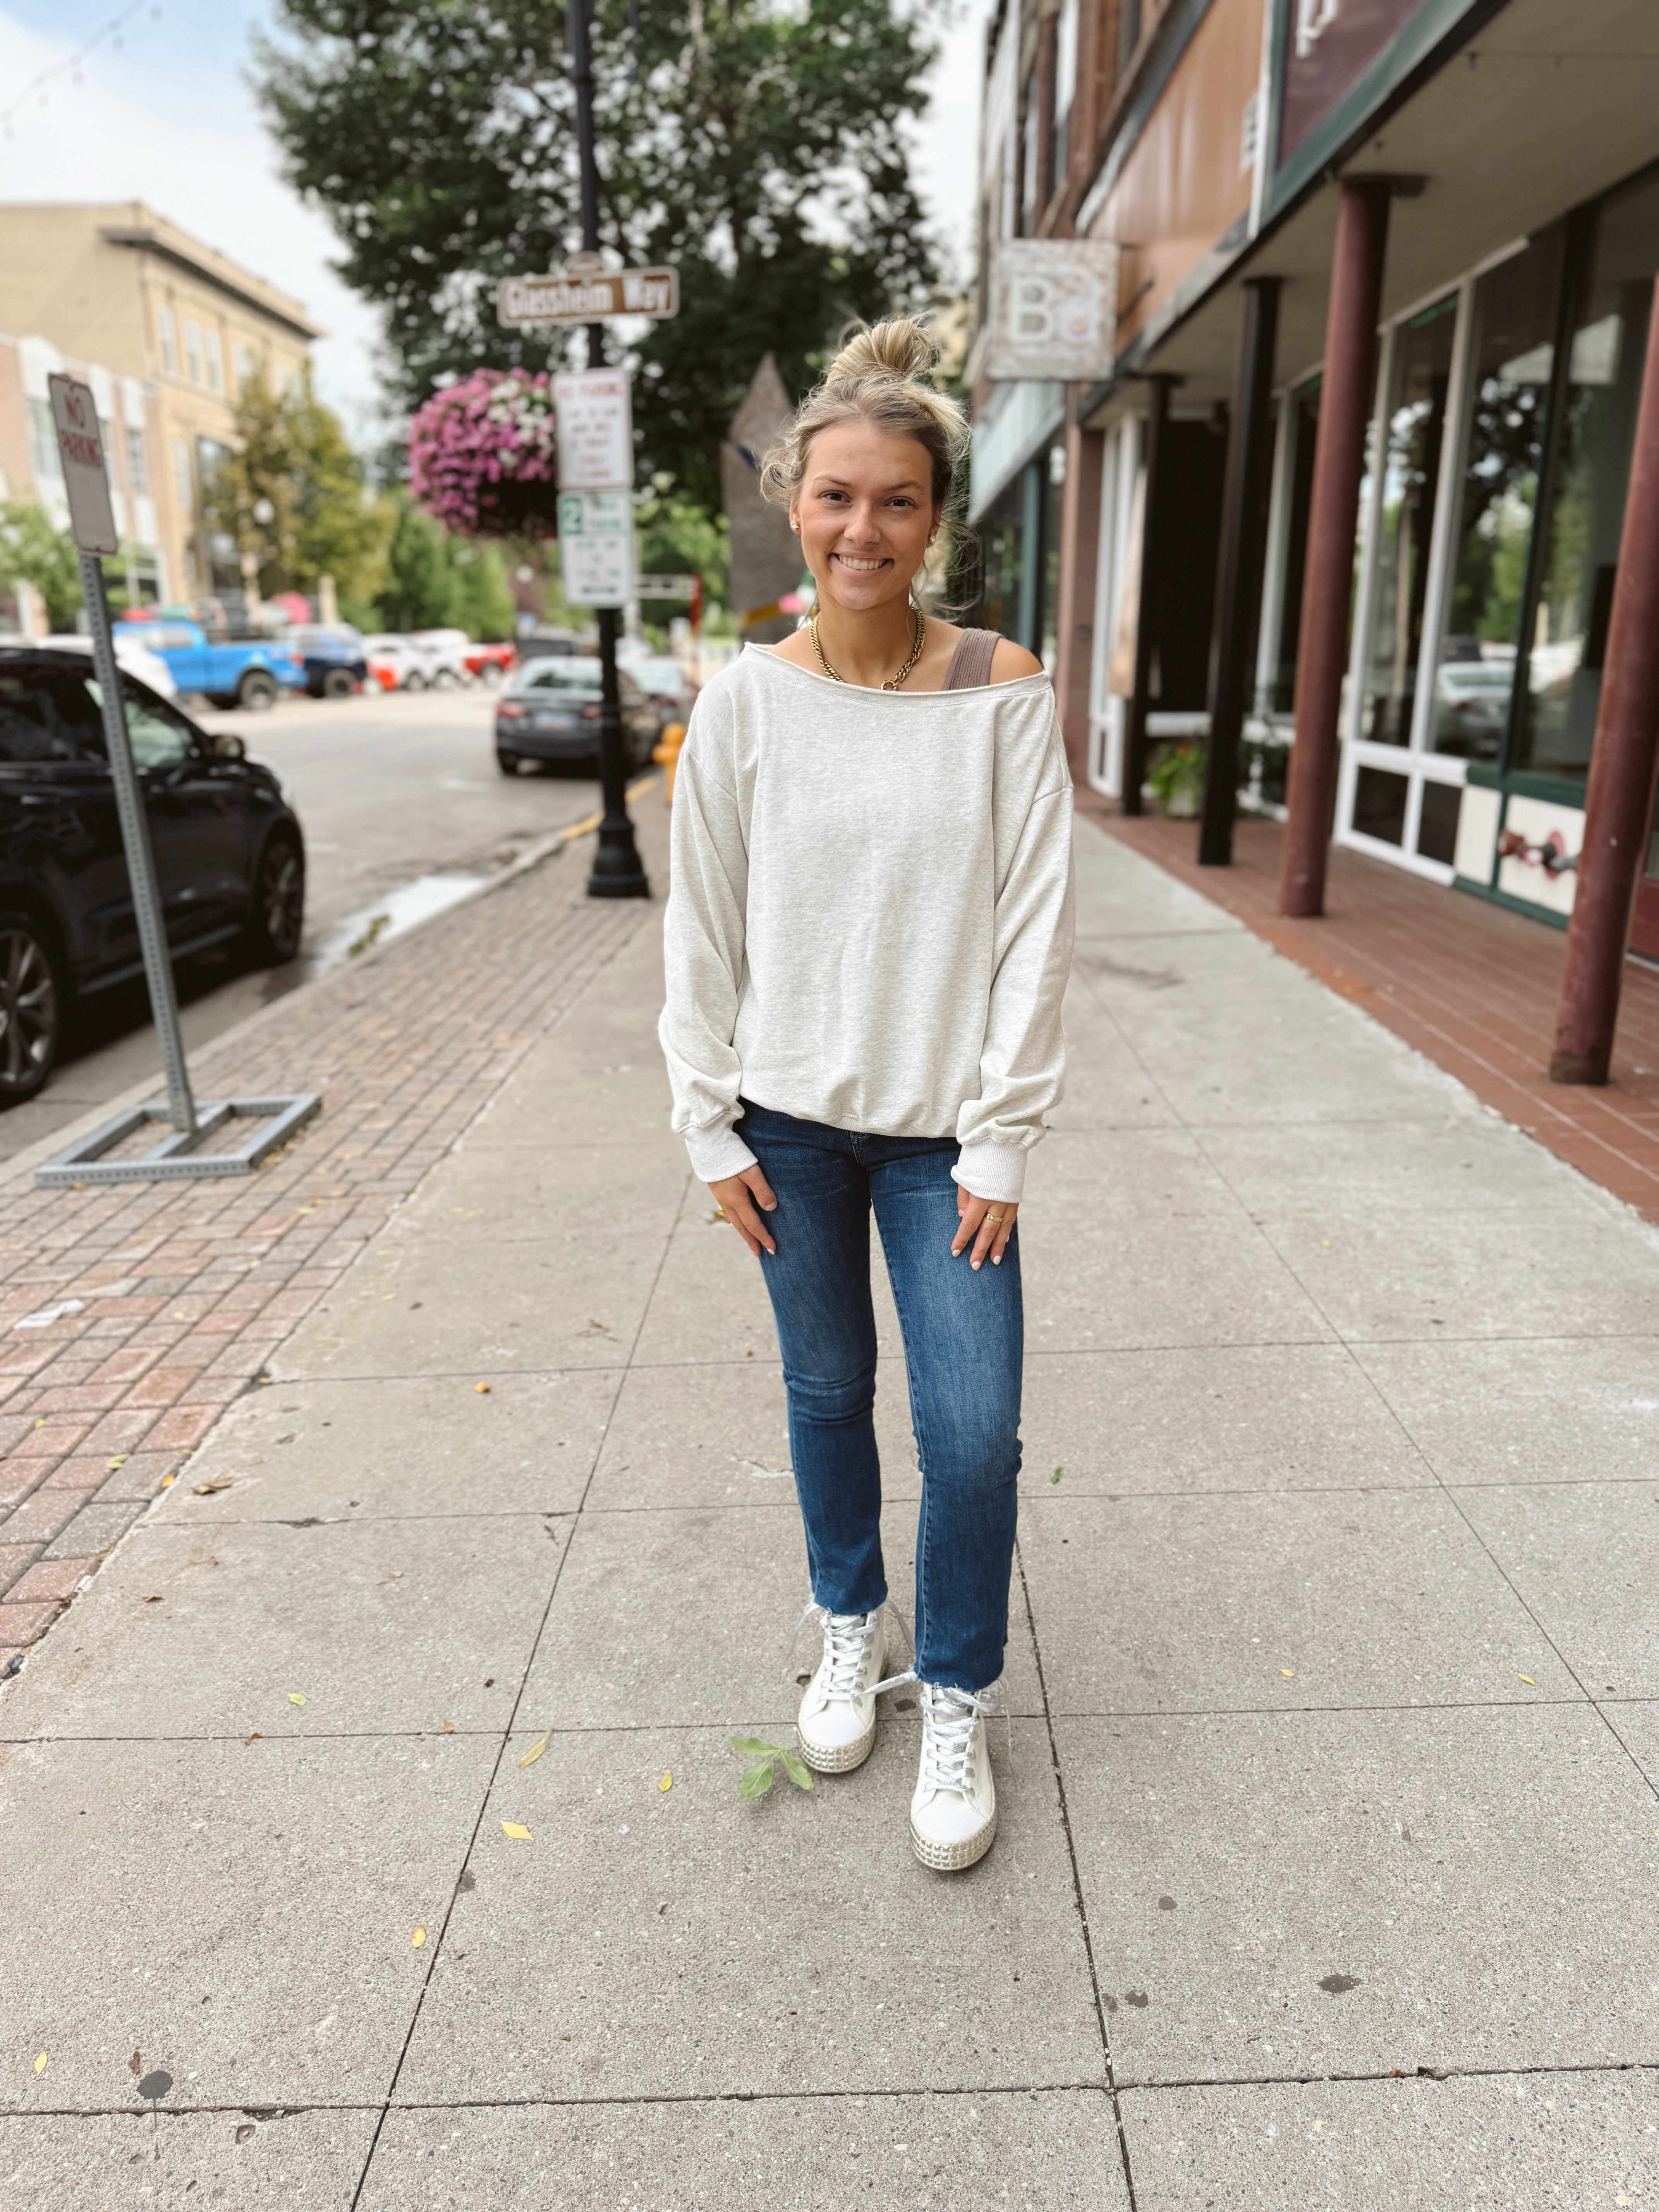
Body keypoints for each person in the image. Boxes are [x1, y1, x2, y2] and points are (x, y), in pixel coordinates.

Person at [658, 319, 1074, 1872]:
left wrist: (1004, 1137)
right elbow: (703, 924)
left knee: (973, 1434)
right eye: (835, 497)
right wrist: (705, 1118)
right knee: (827, 1396)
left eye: (895, 501)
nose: (861, 530)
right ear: (795, 500)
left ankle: (953, 1687)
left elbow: (1037, 923)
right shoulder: (747, 705)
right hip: (786, 1127)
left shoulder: (1000, 690)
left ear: (935, 516)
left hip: (941, 1140)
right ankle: (851, 1620)